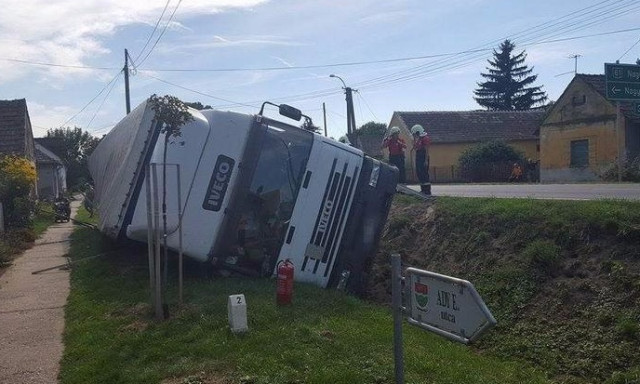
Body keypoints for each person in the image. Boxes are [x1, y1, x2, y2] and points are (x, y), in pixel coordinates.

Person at [411, 124, 431, 195]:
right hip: (419, 156)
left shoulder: (425, 138)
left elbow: (427, 150)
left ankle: (427, 191)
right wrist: (414, 139)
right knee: (419, 173)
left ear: (418, 132)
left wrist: (425, 160)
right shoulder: (419, 139)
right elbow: (415, 148)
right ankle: (423, 189)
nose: (414, 135)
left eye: (414, 134)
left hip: (423, 157)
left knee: (424, 174)